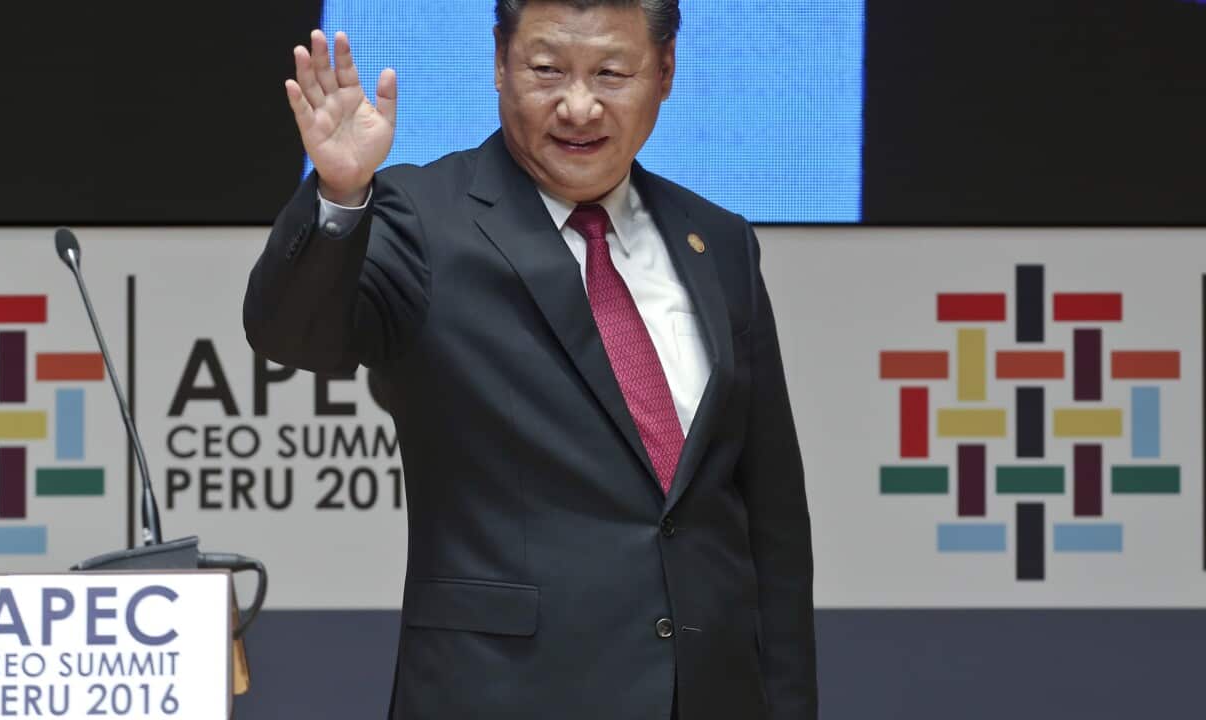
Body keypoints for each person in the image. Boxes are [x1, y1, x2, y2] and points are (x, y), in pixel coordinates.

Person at [243, 1, 817, 717]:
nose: (578, 106)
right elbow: (295, 336)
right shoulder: (420, 220)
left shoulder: (718, 241)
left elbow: (771, 521)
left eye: (611, 73)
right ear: (499, 61)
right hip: (504, 693)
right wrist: (339, 197)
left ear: (666, 71)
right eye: (547, 70)